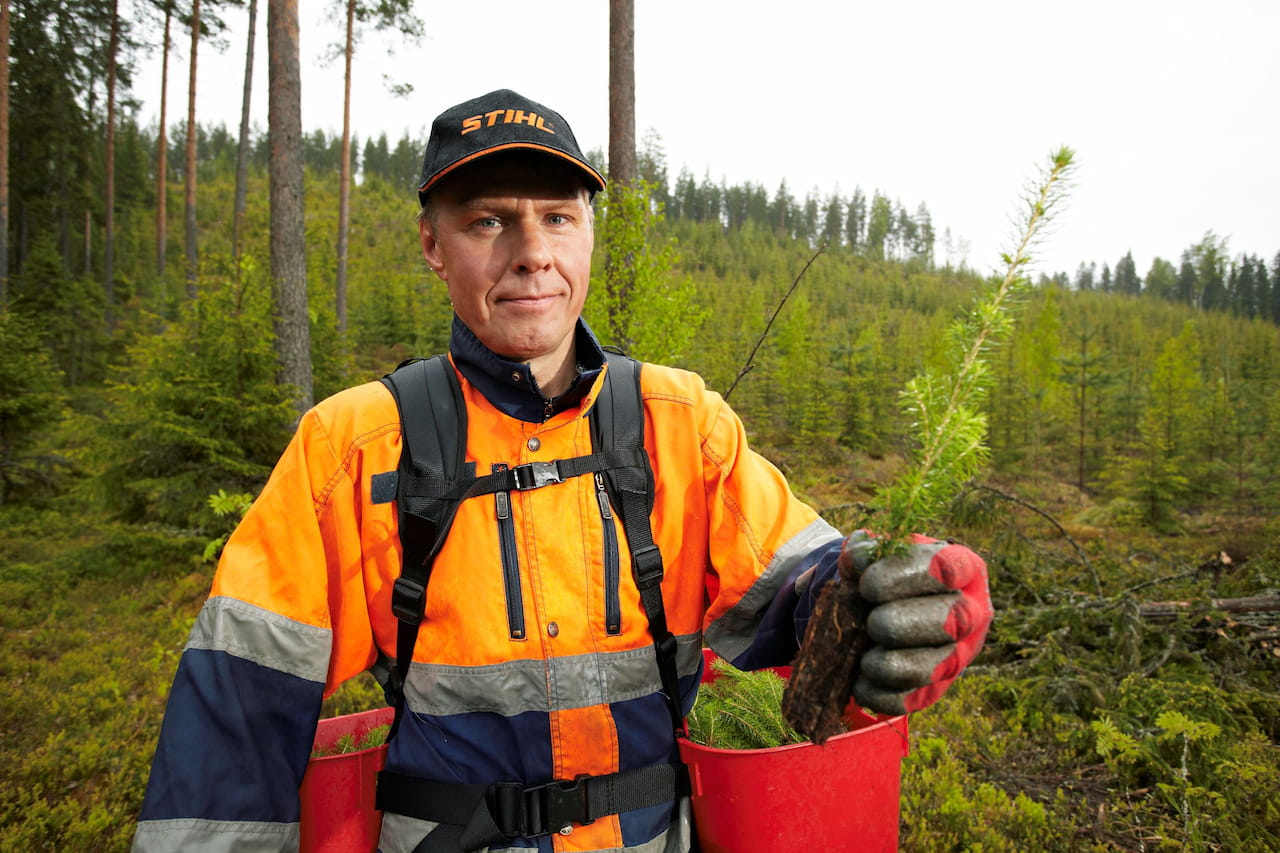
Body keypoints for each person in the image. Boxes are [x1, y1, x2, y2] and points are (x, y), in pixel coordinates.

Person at [132, 89, 993, 853]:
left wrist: (891, 600)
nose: (531, 251)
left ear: (588, 233)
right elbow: (239, 711)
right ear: (434, 245)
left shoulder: (679, 424)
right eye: (488, 220)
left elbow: (799, 593)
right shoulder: (353, 446)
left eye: (557, 216)